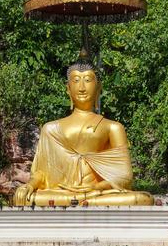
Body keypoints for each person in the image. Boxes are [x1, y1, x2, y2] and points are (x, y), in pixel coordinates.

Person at [12, 57, 153, 206]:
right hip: (61, 193)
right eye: (76, 80)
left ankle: (83, 201)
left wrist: (96, 187)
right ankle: (80, 201)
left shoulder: (112, 127)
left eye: (87, 80)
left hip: (96, 194)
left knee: (142, 199)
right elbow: (41, 174)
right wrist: (29, 185)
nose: (81, 87)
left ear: (98, 87)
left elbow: (125, 178)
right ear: (68, 88)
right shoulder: (50, 128)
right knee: (23, 198)